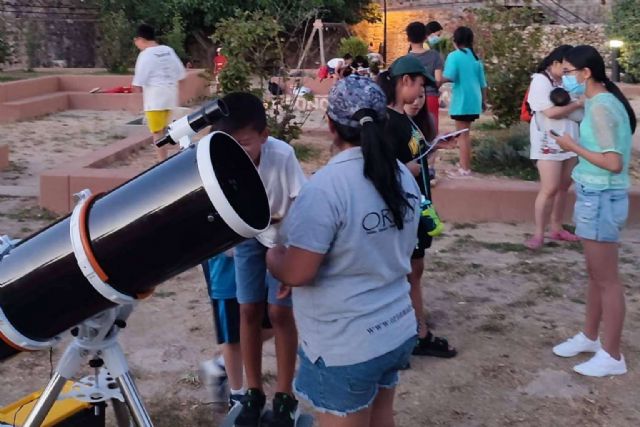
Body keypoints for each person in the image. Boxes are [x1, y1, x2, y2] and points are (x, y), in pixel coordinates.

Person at [266, 75, 420, 427]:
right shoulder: (400, 175)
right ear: (382, 122)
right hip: (395, 327)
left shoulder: (325, 188)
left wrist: (274, 258)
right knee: (382, 417)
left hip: (347, 344)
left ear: (331, 125)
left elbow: (299, 272)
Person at [219, 92, 306, 426]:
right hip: (248, 239)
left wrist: (291, 263)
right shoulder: (225, 160)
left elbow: (301, 205)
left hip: (283, 238)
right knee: (248, 309)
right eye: (231, 143)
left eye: (245, 143)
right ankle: (253, 390)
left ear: (264, 135)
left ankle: (285, 395)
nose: (239, 152)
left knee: (279, 313)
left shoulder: (283, 156)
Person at [550, 45, 635, 377]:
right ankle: (590, 337)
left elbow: (613, 163)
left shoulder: (601, 107)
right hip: (594, 196)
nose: (564, 77)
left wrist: (572, 147)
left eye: (569, 72)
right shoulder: (601, 102)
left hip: (601, 197)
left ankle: (612, 355)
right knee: (595, 276)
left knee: (607, 280)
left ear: (586, 74)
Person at [378, 56, 457, 359]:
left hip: (416, 207)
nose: (422, 92)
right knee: (409, 270)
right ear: (406, 81)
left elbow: (413, 156)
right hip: (403, 210)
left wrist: (433, 150)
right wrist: (414, 167)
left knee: (415, 269)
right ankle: (415, 332)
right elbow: (388, 167)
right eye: (421, 84)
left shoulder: (404, 119)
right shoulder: (387, 122)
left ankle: (415, 328)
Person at [525, 45, 584, 250]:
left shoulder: (569, 82)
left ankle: (556, 227)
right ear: (555, 63)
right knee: (549, 188)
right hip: (548, 141)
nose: (569, 71)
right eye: (566, 67)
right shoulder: (540, 81)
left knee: (563, 187)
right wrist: (576, 105)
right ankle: (539, 233)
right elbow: (549, 112)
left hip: (570, 140)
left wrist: (569, 108)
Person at [200, 252, 273, 411]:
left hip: (257, 267)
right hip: (225, 275)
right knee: (232, 338)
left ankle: (220, 364)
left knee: (271, 326)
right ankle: (237, 398)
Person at [132, 23, 186, 162]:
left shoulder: (145, 55)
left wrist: (134, 102)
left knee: (157, 133)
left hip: (154, 100)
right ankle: (180, 155)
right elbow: (181, 74)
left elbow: (139, 81)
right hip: (170, 97)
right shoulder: (168, 50)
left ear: (140, 39)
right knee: (171, 130)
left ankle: (162, 161)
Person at [441, 26, 487, 177]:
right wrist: (484, 101)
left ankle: (465, 168)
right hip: (474, 99)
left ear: (455, 40)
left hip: (462, 99)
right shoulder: (475, 58)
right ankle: (464, 164)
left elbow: (450, 76)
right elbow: (483, 84)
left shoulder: (454, 56)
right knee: (465, 133)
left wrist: (435, 80)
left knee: (463, 135)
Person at [406, 21, 444, 134]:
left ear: (408, 38)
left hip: (412, 99)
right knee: (431, 133)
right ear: (425, 37)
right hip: (431, 97)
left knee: (414, 134)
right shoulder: (435, 56)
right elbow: (438, 81)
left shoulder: (406, 59)